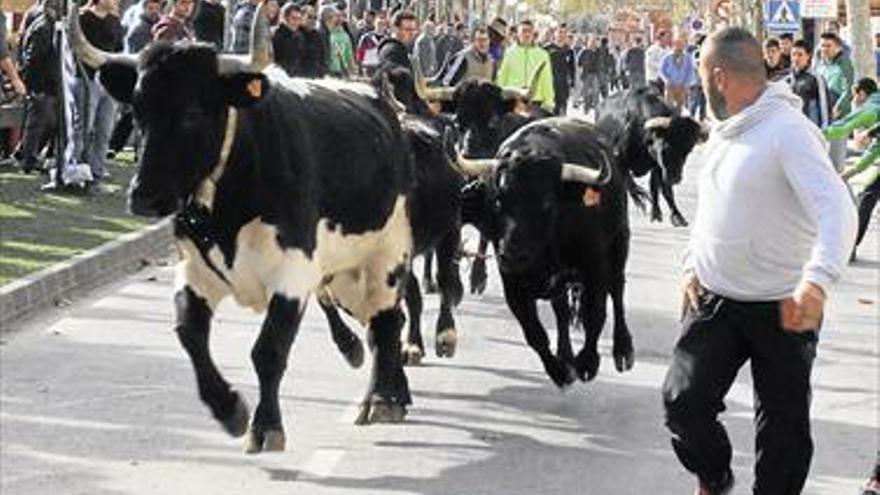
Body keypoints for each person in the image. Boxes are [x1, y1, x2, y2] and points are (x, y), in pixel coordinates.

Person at [663, 27, 857, 495]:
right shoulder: (729, 131)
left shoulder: (789, 133)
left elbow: (839, 210)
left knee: (784, 434)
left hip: (784, 307)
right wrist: (692, 263)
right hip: (715, 301)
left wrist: (817, 281)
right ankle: (715, 476)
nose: (699, 85)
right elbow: (713, 208)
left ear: (719, 76)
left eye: (702, 75)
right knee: (682, 402)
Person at [65, 0, 124, 191]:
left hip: (109, 82)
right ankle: (75, 172)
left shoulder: (115, 21)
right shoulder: (82, 18)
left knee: (104, 131)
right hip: (86, 80)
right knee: (83, 128)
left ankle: (96, 175)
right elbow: (75, 49)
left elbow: (119, 50)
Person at [822, 77, 880, 261]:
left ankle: (847, 247)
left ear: (861, 94)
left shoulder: (871, 108)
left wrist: (814, 132)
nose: (853, 102)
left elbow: (843, 126)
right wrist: (846, 175)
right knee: (868, 197)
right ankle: (849, 247)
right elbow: (873, 152)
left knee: (867, 199)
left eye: (854, 97)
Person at [16, 0, 58, 174]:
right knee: (41, 121)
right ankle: (28, 159)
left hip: (45, 80)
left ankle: (24, 152)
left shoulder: (42, 20)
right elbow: (34, 57)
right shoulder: (44, 26)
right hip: (41, 81)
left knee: (45, 121)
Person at [815, 31, 855, 171]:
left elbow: (849, 89)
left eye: (828, 46)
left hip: (837, 115)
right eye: (822, 46)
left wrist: (837, 108)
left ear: (838, 47)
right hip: (821, 114)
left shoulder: (845, 63)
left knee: (836, 162)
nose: (824, 49)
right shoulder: (820, 63)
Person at [495, 19, 555, 113]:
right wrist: (498, 98)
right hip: (514, 101)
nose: (526, 34)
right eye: (523, 31)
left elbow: (547, 79)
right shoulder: (509, 52)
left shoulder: (543, 54)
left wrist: (549, 102)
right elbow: (502, 77)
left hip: (535, 102)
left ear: (533, 33)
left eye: (529, 31)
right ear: (518, 33)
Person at [786, 39, 831, 129]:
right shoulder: (787, 80)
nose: (796, 58)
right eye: (793, 54)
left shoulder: (816, 79)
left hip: (810, 131)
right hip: (791, 130)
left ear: (808, 56)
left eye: (800, 55)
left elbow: (824, 108)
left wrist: (824, 131)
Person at [659, 32, 695, 111]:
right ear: (674, 45)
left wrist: (686, 83)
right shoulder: (667, 57)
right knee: (669, 106)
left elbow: (690, 71)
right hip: (670, 85)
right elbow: (661, 70)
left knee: (680, 106)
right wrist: (667, 80)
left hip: (682, 85)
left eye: (681, 44)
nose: (679, 46)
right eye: (677, 44)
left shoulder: (687, 58)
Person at [544, 26, 574, 115]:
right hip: (549, 87)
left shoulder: (569, 51)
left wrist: (572, 84)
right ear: (555, 34)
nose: (562, 35)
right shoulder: (547, 49)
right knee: (548, 114)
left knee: (561, 115)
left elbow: (572, 69)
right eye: (560, 32)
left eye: (564, 33)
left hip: (563, 88)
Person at [272, 2, 303, 77]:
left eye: (299, 19)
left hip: (294, 80)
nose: (296, 22)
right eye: (293, 18)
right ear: (285, 17)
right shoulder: (274, 35)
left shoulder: (298, 36)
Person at [578, 35, 601, 110]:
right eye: (591, 41)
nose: (592, 43)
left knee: (596, 91)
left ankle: (596, 107)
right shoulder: (584, 51)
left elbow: (600, 62)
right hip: (586, 74)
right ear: (588, 42)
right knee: (586, 91)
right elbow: (579, 62)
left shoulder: (598, 52)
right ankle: (586, 106)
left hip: (595, 74)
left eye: (594, 42)